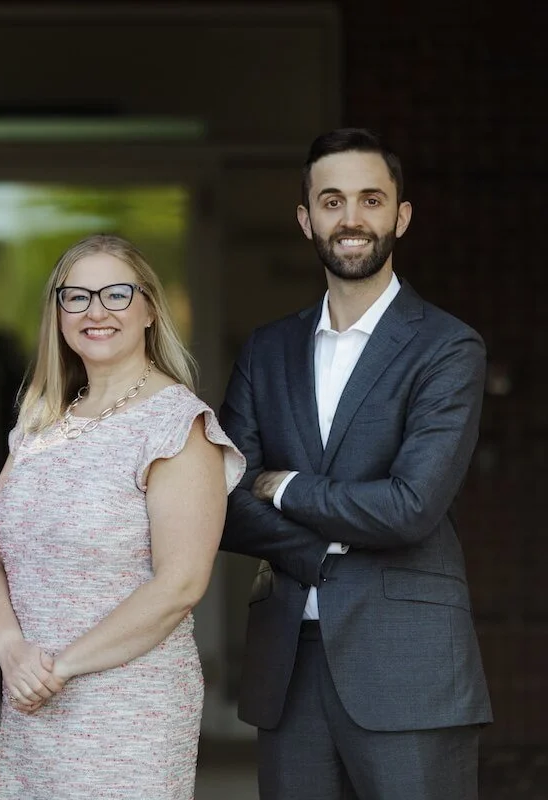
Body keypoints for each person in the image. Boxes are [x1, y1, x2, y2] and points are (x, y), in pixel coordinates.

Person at [219, 128, 492, 800]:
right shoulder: (266, 350)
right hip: (288, 666)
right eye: (332, 201)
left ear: (401, 215)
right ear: (306, 219)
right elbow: (224, 500)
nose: (351, 219)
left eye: (371, 200)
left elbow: (409, 507)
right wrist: (321, 547)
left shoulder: (447, 347)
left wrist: (284, 486)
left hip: (409, 665)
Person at [0, 234, 245, 799]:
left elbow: (180, 585)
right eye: (77, 297)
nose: (96, 311)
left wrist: (61, 667)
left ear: (149, 310)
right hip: (33, 704)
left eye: (117, 294)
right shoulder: (41, 423)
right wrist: (12, 650)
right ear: (58, 314)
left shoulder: (176, 425)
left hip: (129, 713)